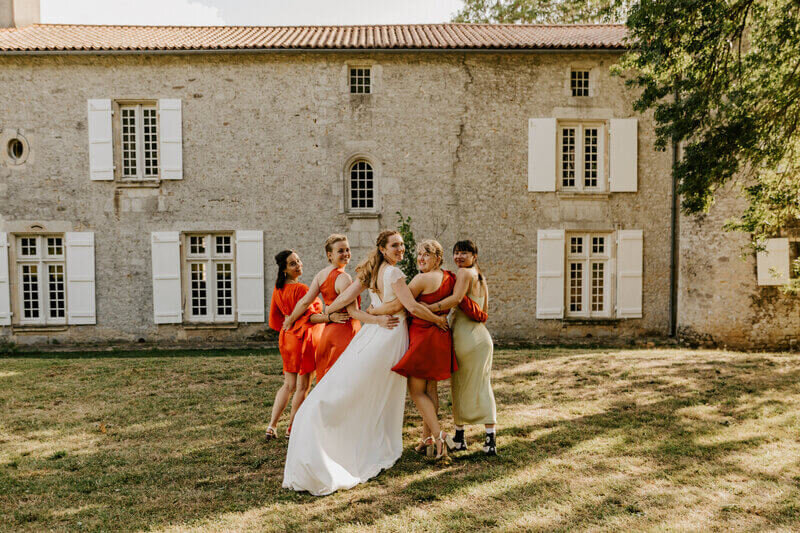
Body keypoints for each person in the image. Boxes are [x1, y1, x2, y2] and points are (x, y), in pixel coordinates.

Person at [282, 230, 446, 496]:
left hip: (374, 333)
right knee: (375, 391)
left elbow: (345, 299)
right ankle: (367, 440)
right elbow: (412, 308)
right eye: (395, 246)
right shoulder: (393, 274)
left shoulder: (372, 272)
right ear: (382, 248)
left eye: (402, 245)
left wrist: (329, 311)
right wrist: (438, 320)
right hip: (391, 336)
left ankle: (339, 430)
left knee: (361, 386)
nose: (401, 250)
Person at [423, 240, 497, 455]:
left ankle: (461, 435)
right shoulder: (480, 275)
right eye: (456, 253)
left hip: (467, 338)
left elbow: (455, 299)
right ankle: (485, 438)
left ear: (474, 255)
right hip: (481, 337)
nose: (459, 257)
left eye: (464, 253)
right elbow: (485, 309)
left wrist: (430, 308)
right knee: (480, 385)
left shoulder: (465, 273)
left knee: (462, 385)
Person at [265, 250, 347, 440]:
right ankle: (292, 428)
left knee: (288, 385)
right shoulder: (301, 289)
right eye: (293, 263)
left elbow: (275, 321)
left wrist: (289, 325)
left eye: (299, 261)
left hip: (287, 338)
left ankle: (272, 425)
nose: (299, 265)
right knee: (303, 386)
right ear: (284, 269)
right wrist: (330, 317)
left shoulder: (278, 289)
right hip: (304, 339)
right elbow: (311, 316)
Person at [282, 234, 361, 382]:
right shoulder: (344, 278)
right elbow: (353, 312)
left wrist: (290, 320)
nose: (346, 254)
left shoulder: (320, 275)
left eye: (347, 249)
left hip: (328, 333)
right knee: (345, 379)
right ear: (329, 255)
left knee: (325, 379)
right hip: (346, 330)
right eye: (341, 251)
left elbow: (305, 302)